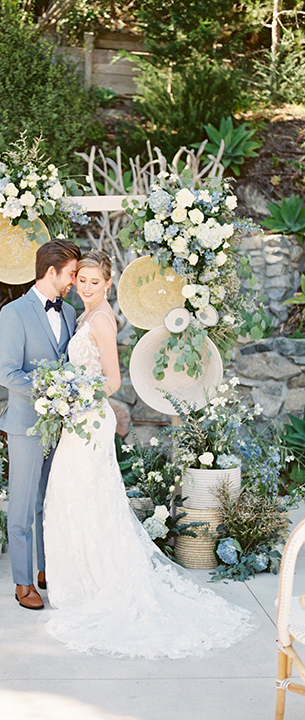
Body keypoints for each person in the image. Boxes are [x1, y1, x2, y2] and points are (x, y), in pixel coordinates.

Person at [43, 250, 258, 658]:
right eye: (81, 280)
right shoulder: (83, 316)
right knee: (76, 498)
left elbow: (112, 380)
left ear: (108, 284)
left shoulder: (103, 320)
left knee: (89, 498)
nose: (86, 287)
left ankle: (103, 582)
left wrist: (72, 395)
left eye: (94, 282)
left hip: (88, 418)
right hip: (76, 418)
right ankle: (83, 578)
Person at [0, 238, 81, 610]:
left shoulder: (70, 314)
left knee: (51, 501)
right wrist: (49, 390)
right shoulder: (14, 313)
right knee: (23, 505)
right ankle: (23, 582)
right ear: (52, 272)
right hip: (27, 425)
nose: (74, 283)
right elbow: (7, 373)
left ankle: (46, 570)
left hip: (60, 427)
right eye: (72, 275)